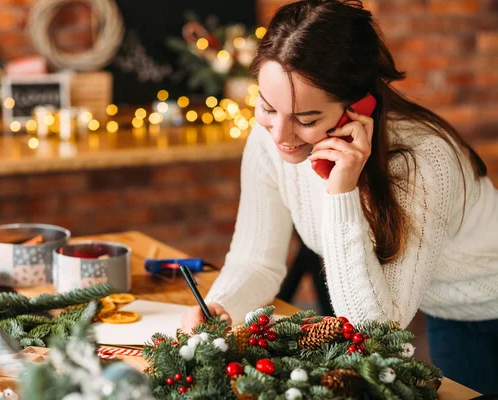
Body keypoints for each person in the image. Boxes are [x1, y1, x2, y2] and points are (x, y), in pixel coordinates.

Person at [181, 0, 498, 393]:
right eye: (267, 107)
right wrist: (222, 307)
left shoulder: (421, 161)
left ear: (357, 107)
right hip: (445, 309)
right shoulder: (268, 142)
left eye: (306, 119)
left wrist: (342, 190)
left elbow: (375, 333)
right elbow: (255, 261)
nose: (280, 134)